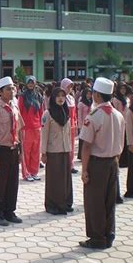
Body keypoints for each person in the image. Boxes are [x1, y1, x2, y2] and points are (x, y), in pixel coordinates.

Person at [79, 77, 125, 249]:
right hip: (113, 162)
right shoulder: (118, 115)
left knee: (94, 201)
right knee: (109, 200)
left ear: (97, 96)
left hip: (97, 164)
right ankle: (109, 234)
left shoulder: (93, 116)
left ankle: (97, 238)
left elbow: (86, 146)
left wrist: (84, 170)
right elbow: (121, 142)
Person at [0, 76, 24, 227]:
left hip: (13, 149)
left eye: (13, 88)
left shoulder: (15, 107)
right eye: (8, 89)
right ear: (0, 92)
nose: (12, 91)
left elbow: (19, 129)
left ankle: (10, 211)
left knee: (12, 183)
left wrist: (20, 151)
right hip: (1, 150)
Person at [41, 87, 73, 215]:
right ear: (53, 98)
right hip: (53, 151)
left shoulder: (66, 112)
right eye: (58, 96)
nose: (60, 98)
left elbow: (69, 133)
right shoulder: (47, 114)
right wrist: (43, 153)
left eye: (63, 96)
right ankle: (52, 205)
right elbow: (44, 134)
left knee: (65, 178)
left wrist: (70, 150)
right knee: (54, 179)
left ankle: (65, 202)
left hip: (65, 150)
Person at [18, 76, 44, 182]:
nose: (30, 84)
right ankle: (26, 173)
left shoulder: (38, 96)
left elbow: (41, 112)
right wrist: (20, 127)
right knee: (26, 152)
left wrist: (41, 124)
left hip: (37, 127)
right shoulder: (22, 97)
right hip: (26, 128)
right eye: (29, 82)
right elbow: (19, 112)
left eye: (32, 82)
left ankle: (34, 172)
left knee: (36, 151)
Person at [60, 78, 78, 174]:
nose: (69, 89)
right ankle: (64, 165)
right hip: (63, 125)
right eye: (68, 87)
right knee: (64, 146)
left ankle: (71, 165)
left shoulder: (71, 98)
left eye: (71, 87)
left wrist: (75, 123)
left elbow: (74, 113)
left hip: (71, 126)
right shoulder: (60, 98)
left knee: (71, 146)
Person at [112, 82, 130, 168]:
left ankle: (126, 160)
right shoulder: (116, 99)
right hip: (118, 122)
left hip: (126, 122)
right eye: (121, 89)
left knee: (125, 141)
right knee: (119, 141)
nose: (123, 90)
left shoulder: (126, 99)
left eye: (124, 89)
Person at [77, 88, 93, 160]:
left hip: (90, 123)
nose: (89, 95)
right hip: (83, 123)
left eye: (90, 94)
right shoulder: (81, 103)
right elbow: (79, 115)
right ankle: (81, 155)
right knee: (82, 140)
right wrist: (80, 126)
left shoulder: (92, 102)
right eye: (87, 94)